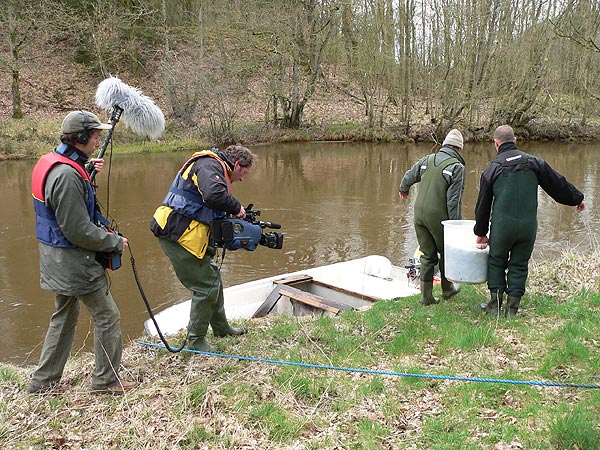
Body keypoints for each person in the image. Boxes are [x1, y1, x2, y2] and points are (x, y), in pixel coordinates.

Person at [29, 110, 136, 395]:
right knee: (108, 316)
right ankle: (106, 382)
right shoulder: (66, 175)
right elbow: (77, 229)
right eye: (95, 136)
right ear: (80, 138)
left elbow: (60, 210)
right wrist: (114, 242)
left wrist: (85, 170)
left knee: (64, 316)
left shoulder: (52, 162)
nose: (99, 141)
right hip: (74, 261)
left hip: (55, 258)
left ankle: (43, 382)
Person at [150, 145, 255, 352]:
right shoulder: (209, 165)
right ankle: (196, 340)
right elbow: (214, 195)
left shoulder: (214, 166)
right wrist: (237, 208)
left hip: (185, 233)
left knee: (213, 277)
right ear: (236, 164)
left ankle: (221, 328)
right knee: (205, 286)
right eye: (244, 172)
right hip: (177, 234)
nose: (242, 179)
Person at [474, 125, 585, 317]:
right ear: (515, 141)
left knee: (496, 262)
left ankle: (494, 307)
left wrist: (481, 233)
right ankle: (512, 310)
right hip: (528, 226)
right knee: (519, 264)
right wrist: (577, 198)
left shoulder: (492, 169)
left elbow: (482, 206)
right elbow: (557, 185)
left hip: (502, 227)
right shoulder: (534, 163)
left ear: (496, 144)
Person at [399, 129, 466, 305]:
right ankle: (447, 289)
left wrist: (403, 189)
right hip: (438, 217)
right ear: (459, 148)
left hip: (419, 214)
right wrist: (455, 227)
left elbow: (409, 176)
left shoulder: (427, 160)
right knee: (446, 252)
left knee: (427, 255)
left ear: (444, 145)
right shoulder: (457, 167)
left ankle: (426, 297)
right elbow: (454, 202)